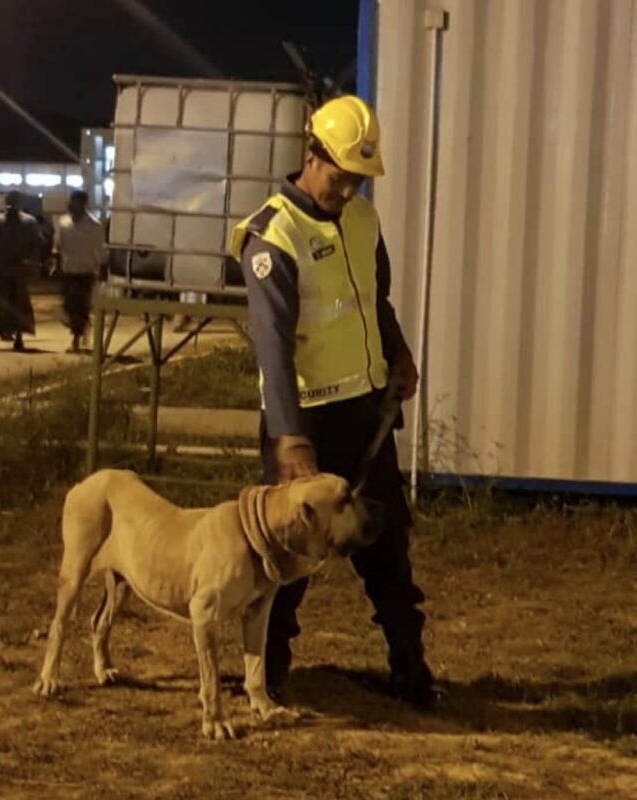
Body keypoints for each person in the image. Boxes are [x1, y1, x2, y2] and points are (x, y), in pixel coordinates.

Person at [230, 95, 435, 709]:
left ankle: (411, 669)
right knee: (288, 556)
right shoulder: (273, 236)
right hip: (307, 424)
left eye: (357, 181)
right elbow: (272, 347)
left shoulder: (363, 221)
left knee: (387, 544)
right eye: (339, 177)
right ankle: (267, 675)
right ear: (311, 154)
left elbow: (376, 302)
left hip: (366, 413)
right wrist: (290, 439)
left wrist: (397, 353)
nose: (347, 191)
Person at [0, 191, 40, 351]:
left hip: (15, 267)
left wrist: (33, 264)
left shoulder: (28, 222)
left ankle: (16, 337)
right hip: (2, 267)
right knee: (1, 303)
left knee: (17, 303)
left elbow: (36, 245)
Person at [53, 190, 106, 353]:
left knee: (80, 306)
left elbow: (100, 249)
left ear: (83, 204)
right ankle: (82, 327)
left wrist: (102, 267)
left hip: (85, 272)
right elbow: (57, 245)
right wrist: (55, 262)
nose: (73, 204)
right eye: (72, 201)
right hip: (67, 270)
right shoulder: (63, 222)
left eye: (77, 202)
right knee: (68, 306)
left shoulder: (94, 225)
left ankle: (76, 339)